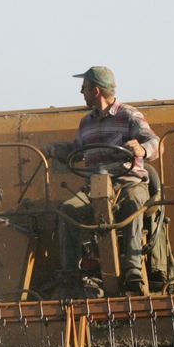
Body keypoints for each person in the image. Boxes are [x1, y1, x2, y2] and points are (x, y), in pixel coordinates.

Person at [53, 66, 159, 296]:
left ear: (96, 91)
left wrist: (141, 148)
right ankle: (71, 277)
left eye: (84, 87)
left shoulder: (130, 116)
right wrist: (56, 150)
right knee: (67, 210)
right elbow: (78, 151)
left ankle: (133, 271)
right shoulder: (86, 123)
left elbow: (155, 142)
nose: (81, 92)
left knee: (134, 204)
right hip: (95, 187)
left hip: (128, 182)